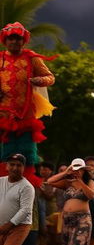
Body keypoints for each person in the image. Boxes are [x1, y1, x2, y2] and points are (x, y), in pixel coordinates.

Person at [0, 22, 55, 184]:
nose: (15, 42)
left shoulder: (32, 58)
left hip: (26, 115)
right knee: (4, 154)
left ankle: (26, 188)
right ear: (5, 40)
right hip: (3, 116)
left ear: (23, 41)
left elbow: (50, 77)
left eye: (18, 39)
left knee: (27, 154)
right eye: (11, 38)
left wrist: (40, 80)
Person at [45, 158, 94, 245]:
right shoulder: (67, 183)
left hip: (83, 219)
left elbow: (91, 195)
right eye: (74, 169)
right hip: (67, 220)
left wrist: (80, 183)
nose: (77, 172)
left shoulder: (89, 181)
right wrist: (65, 172)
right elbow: (49, 181)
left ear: (84, 170)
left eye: (79, 170)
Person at [0, 154, 35, 245]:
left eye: (18, 165)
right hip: (2, 226)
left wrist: (9, 225)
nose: (15, 168)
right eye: (12, 164)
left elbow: (25, 210)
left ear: (23, 168)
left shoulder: (27, 187)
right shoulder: (1, 181)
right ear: (6, 166)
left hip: (20, 226)